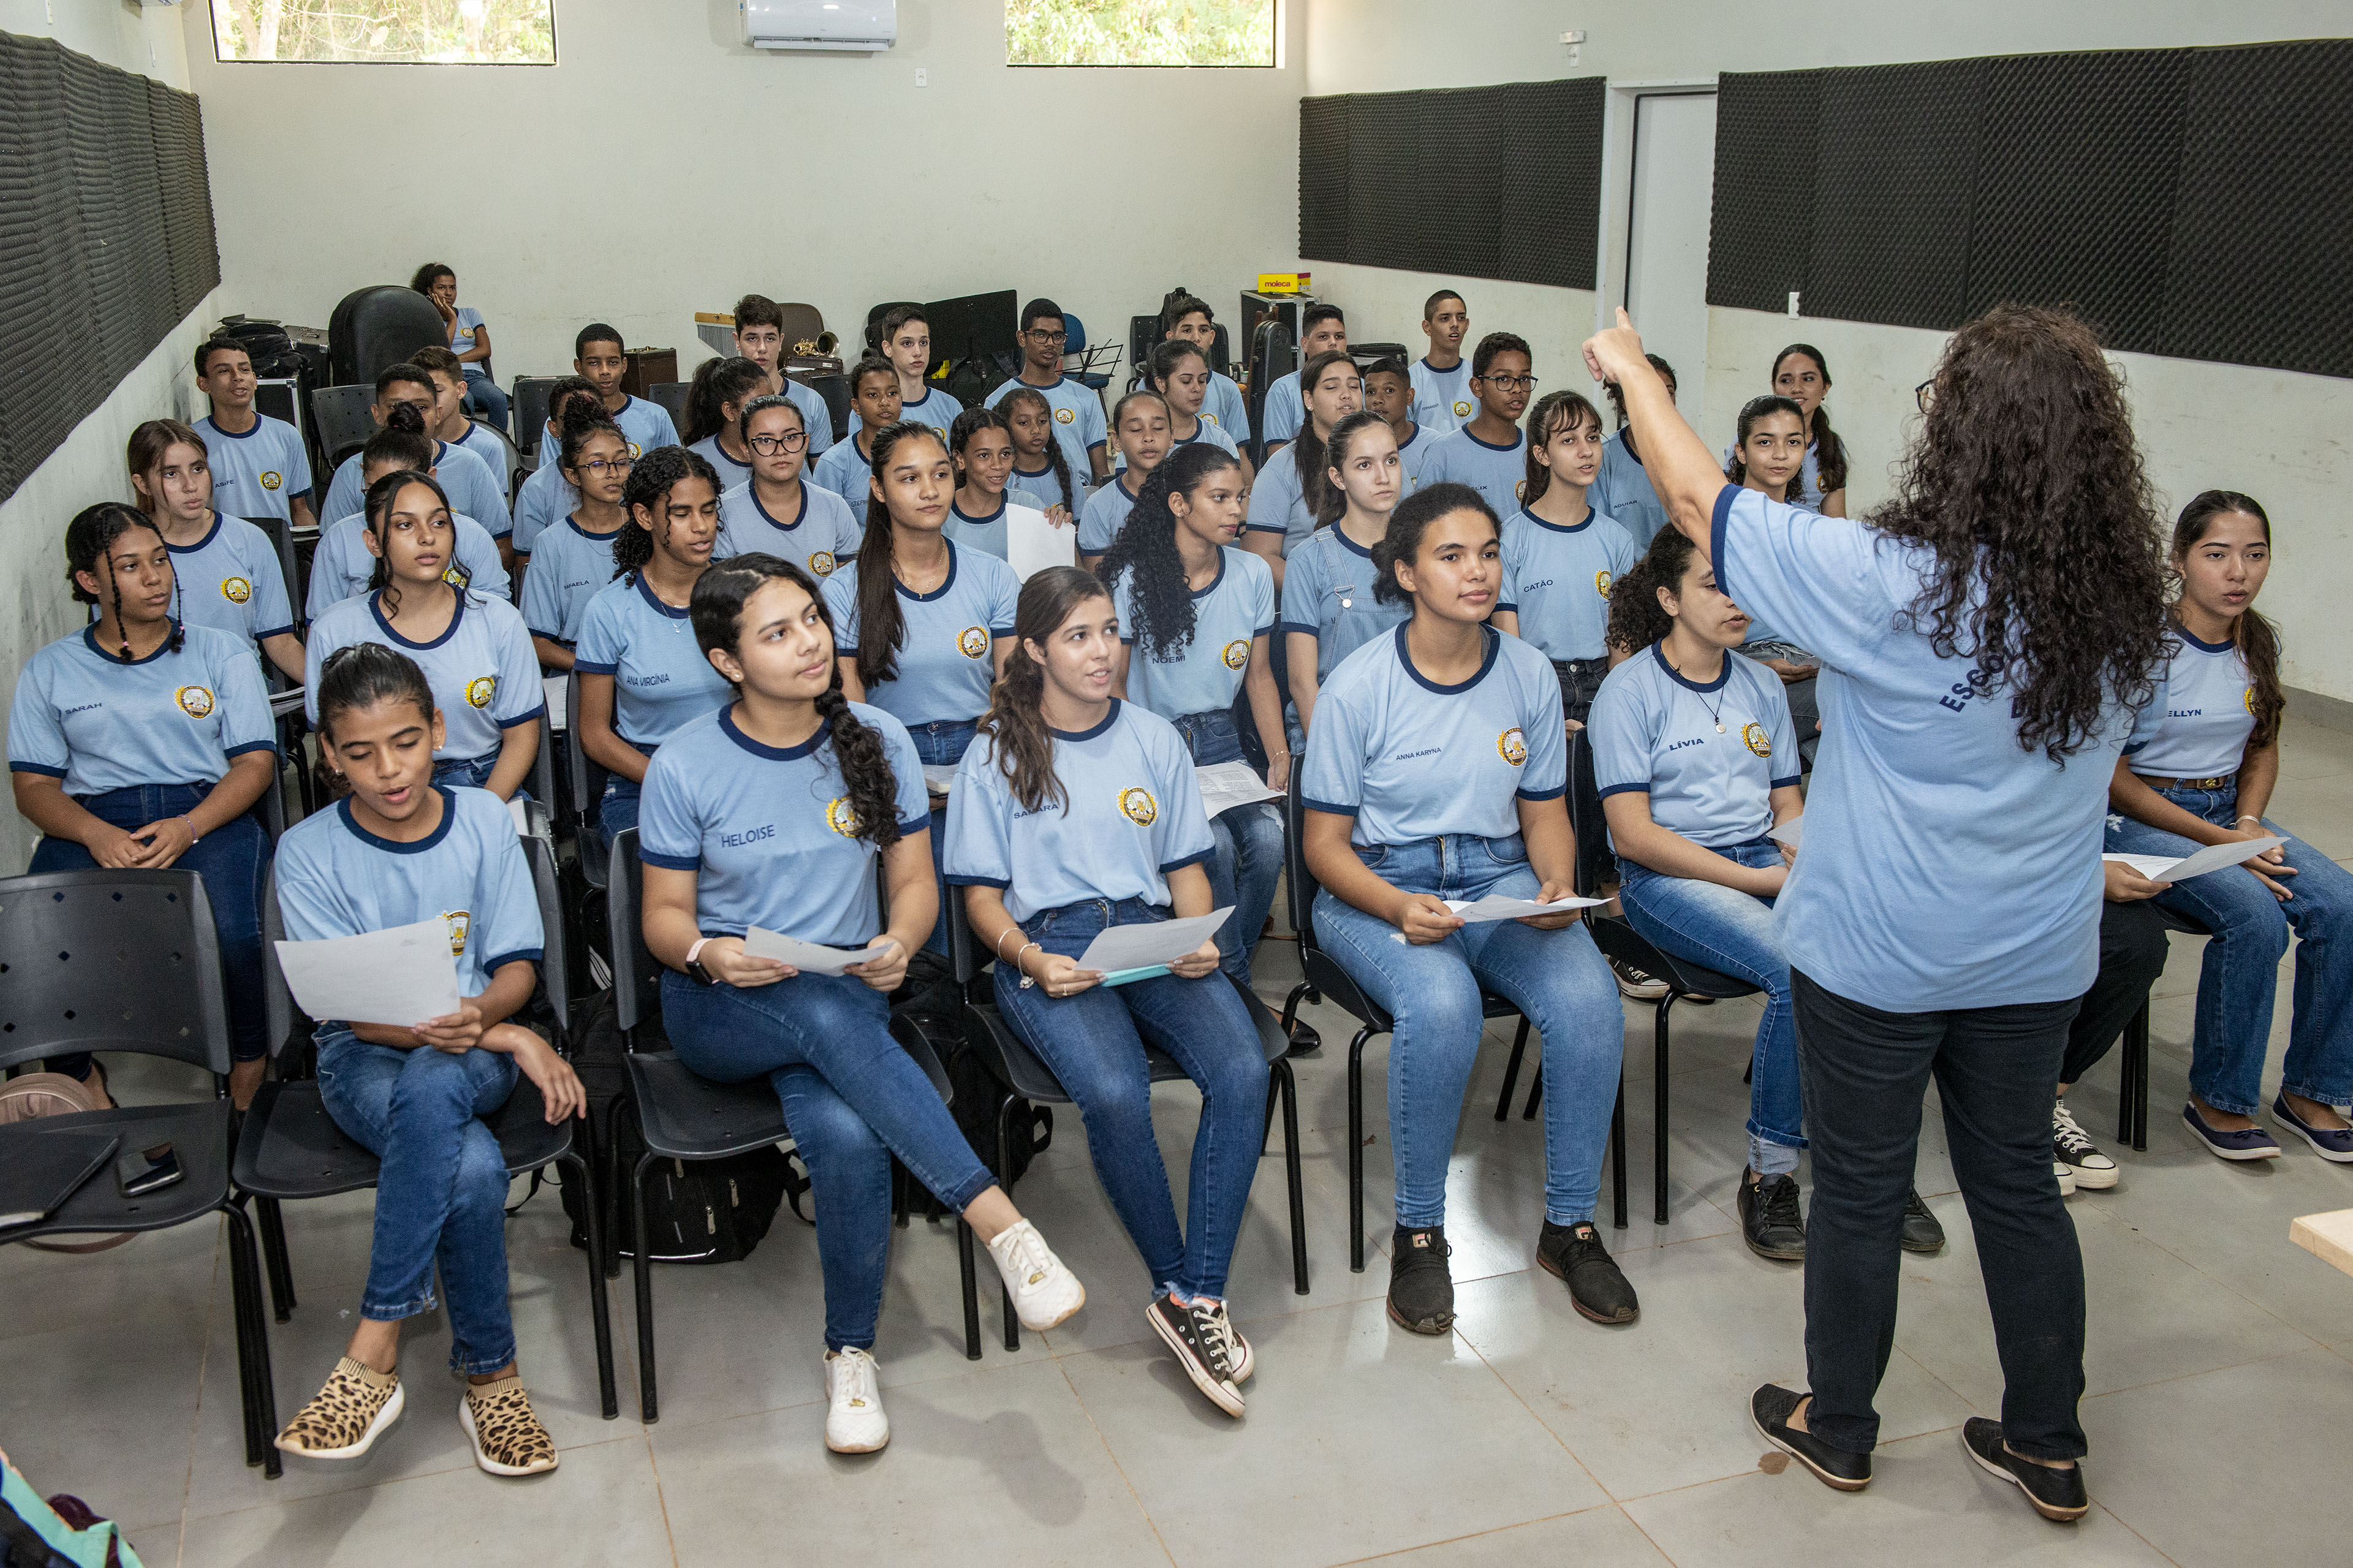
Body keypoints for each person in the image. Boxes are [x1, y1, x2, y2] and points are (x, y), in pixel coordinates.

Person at [1583, 303, 2171, 1519]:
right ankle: (2048, 1443)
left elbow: (1699, 502)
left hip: (1881, 952)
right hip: (2032, 954)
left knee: (1857, 1186)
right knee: (2016, 1186)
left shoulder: (1897, 583)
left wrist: (1636, 373)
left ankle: (1839, 1426)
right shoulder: (2125, 607)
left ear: (1958, 439)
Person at [641, 553, 1085, 1452]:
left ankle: (850, 1354)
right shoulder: (685, 764)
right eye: (777, 632)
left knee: (843, 1128)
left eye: (810, 617)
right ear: (728, 662)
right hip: (722, 1002)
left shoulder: (874, 736)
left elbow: (913, 883)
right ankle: (1001, 1226)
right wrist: (708, 951)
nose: (809, 641)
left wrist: (899, 942)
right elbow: (661, 917)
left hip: (844, 990)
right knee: (823, 1014)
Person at [1301, 482, 1635, 1333]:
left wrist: (1556, 883)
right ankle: (1419, 1232)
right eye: (1451, 555)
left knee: (1592, 998)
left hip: (1498, 878)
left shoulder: (1525, 669)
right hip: (1377, 885)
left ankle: (1570, 1225)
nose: (1477, 571)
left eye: (1488, 552)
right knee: (1442, 1003)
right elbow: (1324, 848)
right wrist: (1395, 903)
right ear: (1406, 572)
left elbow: (1545, 813)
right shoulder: (1358, 684)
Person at [947, 566, 1270, 1417]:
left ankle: (1193, 1295)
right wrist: (1029, 957)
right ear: (1038, 651)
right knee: (1117, 1090)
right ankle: (1179, 1281)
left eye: (1110, 631)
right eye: (1080, 635)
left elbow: (1185, 867)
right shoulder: (998, 752)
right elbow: (981, 899)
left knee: (1242, 1070)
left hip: (1147, 930)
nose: (1103, 651)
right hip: (1047, 943)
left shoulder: (1156, 737)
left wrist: (1196, 935)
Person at [270, 643, 577, 1474]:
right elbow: (353, 1009)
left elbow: (516, 967)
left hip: (467, 1044)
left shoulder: (482, 818)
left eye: (405, 741)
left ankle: (375, 1350)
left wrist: (486, 1016)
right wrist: (507, 1033)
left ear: (437, 729)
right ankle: (494, 1381)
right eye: (360, 753)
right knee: (473, 1169)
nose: (388, 770)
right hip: (363, 1050)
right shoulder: (305, 850)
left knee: (442, 1077)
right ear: (328, 756)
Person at [2105, 490, 2353, 1165]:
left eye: (2255, 555)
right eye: (2217, 555)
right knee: (2255, 918)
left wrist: (2245, 821)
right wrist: (2223, 844)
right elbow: (2111, 777)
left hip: (2227, 813)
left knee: (2344, 905)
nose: (2238, 572)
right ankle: (2220, 1098)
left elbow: (2262, 744)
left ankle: (2311, 1090)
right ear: (2181, 560)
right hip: (2138, 816)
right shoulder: (2140, 647)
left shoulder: (2258, 640)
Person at [9, 502, 277, 1110]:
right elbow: (33, 788)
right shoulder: (51, 670)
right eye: (130, 567)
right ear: (90, 583)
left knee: (237, 934)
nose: (155, 578)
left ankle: (249, 1065)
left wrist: (188, 827)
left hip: (207, 813)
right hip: (93, 821)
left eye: (159, 560)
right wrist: (98, 837)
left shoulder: (220, 653)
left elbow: (255, 766)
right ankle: (78, 1078)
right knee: (39, 933)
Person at [824, 420, 1021, 948]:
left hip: (983, 746)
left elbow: (1012, 691)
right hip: (888, 750)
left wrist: (982, 767)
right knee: (929, 855)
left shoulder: (994, 576)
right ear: (878, 489)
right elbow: (850, 707)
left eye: (939, 473)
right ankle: (937, 996)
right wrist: (897, 779)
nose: (930, 490)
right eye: (909, 478)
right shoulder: (845, 589)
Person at [1097, 447, 1285, 987]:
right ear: (1179, 503)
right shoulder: (1136, 578)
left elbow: (1259, 678)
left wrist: (1277, 757)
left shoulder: (1251, 573)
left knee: (1270, 840)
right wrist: (1142, 758)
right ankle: (1237, 986)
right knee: (1217, 847)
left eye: (1240, 497)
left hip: (1223, 739)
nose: (1236, 511)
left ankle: (1228, 971)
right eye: (1220, 498)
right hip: (1157, 738)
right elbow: (1115, 684)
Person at [306, 472, 542, 798]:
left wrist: (484, 813)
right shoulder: (334, 630)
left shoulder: (499, 619)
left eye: (439, 523)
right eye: (405, 525)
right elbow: (336, 753)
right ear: (373, 543)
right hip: (377, 787)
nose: (427, 537)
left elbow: (521, 737)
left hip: (484, 782)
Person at [1486, 391, 1635, 902]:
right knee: (1549, 796)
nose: (1587, 451)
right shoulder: (1512, 537)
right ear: (1543, 453)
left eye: (1593, 438)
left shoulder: (1616, 539)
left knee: (1604, 793)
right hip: (1537, 678)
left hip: (1600, 680)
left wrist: (1614, 710)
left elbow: (1621, 641)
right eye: (1569, 440)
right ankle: (1553, 894)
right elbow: (1510, 642)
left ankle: (1605, 909)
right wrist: (1545, 708)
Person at [576, 447, 730, 848]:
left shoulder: (742, 595)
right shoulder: (609, 610)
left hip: (735, 762)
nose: (701, 527)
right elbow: (594, 734)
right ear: (645, 517)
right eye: (681, 514)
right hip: (644, 776)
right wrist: (672, 778)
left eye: (709, 510)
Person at [124, 419, 304, 682]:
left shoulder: (251, 541)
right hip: (166, 701)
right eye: (171, 474)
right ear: (142, 484)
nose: (191, 485)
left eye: (198, 469)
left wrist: (335, 697)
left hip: (242, 690)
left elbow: (282, 644)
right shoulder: (126, 556)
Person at [307, 411, 510, 618]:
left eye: (401, 489)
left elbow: (496, 614)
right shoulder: (338, 539)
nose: (389, 504)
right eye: (375, 489)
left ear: (431, 477)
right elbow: (322, 622)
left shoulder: (472, 535)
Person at [1281, 410, 1408, 734]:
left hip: (1408, 730)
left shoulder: (1423, 551)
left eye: (1391, 461)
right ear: (1338, 478)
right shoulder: (1308, 560)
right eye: (1365, 465)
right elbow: (1302, 683)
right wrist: (1333, 758)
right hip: (1332, 728)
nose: (1383, 477)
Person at [1723, 395, 1825, 768]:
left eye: (1793, 442)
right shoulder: (1716, 526)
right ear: (1742, 451)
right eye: (1765, 442)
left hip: (1807, 668)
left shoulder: (1811, 530)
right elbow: (1683, 630)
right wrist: (1753, 667)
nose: (1781, 454)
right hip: (1736, 665)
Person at [319, 363, 509, 532]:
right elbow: (335, 545)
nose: (408, 414)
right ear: (376, 414)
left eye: (421, 407)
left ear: (438, 414)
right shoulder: (349, 472)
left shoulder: (471, 465)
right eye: (396, 406)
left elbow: (500, 544)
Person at [521, 407, 635, 672]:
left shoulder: (647, 529)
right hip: (577, 662)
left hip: (641, 661)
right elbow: (537, 642)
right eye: (597, 464)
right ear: (573, 475)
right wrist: (599, 670)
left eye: (620, 462)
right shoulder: (551, 543)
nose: (612, 473)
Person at [1240, 351, 1363, 588]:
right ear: (1309, 400)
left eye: (1354, 386)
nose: (1346, 395)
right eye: (1332, 388)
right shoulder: (1282, 467)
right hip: (1309, 596)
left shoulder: (1382, 457)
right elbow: (1261, 555)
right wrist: (1319, 593)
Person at [714, 395, 862, 577]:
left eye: (790, 437)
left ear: (806, 442)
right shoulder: (724, 512)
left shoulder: (834, 506)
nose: (781, 450)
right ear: (746, 449)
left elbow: (851, 587)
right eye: (765, 441)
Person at [193, 336, 316, 534]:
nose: (237, 377)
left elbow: (300, 510)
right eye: (224, 371)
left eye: (244, 369)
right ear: (204, 384)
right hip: (226, 554)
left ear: (255, 379)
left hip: (278, 552)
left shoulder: (286, 435)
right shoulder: (192, 443)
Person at [982, 298, 1108, 483]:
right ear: (1022, 338)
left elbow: (1101, 472)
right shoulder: (998, 400)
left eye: (1057, 336)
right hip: (1021, 498)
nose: (1050, 343)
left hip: (1079, 495)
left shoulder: (1086, 397)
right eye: (1041, 335)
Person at [1416, 333, 1534, 522]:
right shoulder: (1443, 454)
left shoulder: (1538, 451)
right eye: (1503, 379)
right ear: (1477, 387)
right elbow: (1421, 526)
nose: (1517, 389)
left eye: (1525, 378)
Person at [945, 406, 1060, 561]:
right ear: (960, 459)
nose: (998, 465)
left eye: (1005, 454)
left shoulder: (1027, 505)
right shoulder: (941, 515)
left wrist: (1059, 530)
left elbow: (1058, 570)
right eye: (984, 455)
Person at [1590, 354, 1678, 548]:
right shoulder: (1604, 457)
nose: (1661, 400)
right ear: (1624, 402)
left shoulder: (1688, 457)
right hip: (1622, 573)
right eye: (1648, 391)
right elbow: (1597, 531)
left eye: (1668, 392)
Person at [1077, 391, 1173, 568]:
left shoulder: (1190, 496)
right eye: (1136, 429)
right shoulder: (1098, 507)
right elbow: (1098, 583)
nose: (1148, 438)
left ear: (1172, 436)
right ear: (1117, 440)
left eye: (1158, 428)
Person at [510, 376, 600, 562]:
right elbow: (527, 564)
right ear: (554, 428)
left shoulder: (623, 477)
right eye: (572, 418)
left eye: (593, 416)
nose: (584, 426)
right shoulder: (535, 490)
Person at [730, 293, 835, 452]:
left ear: (781, 341)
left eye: (770, 339)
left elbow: (822, 472)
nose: (762, 348)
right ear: (737, 341)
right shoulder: (725, 401)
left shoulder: (812, 402)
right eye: (752, 339)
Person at [410, 345, 510, 505]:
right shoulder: (407, 441)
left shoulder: (489, 446)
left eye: (437, 391)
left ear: (461, 390)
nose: (428, 400)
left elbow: (493, 517)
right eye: (420, 394)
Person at [848, 306, 963, 444]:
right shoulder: (867, 410)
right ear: (888, 348)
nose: (918, 352)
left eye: (923, 343)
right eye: (907, 343)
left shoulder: (950, 406)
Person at [413, 262, 508, 430]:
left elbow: (485, 349)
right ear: (430, 291)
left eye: (453, 288)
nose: (449, 293)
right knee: (466, 400)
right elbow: (440, 354)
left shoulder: (470, 314)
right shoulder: (426, 319)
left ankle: (497, 447)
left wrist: (454, 359)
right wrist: (452, 320)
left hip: (476, 376)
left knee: (498, 398)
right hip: (449, 377)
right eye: (442, 288)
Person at [573, 324, 680, 457]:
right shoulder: (565, 420)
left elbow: (676, 472)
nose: (605, 371)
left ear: (624, 365)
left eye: (613, 362)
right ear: (579, 367)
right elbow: (551, 475)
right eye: (594, 363)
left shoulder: (656, 417)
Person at [1770, 344, 1849, 516]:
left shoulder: (1831, 445)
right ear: (1774, 388)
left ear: (1825, 388)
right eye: (1786, 380)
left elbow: (1836, 522)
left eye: (1808, 379)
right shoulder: (1752, 437)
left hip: (1809, 540)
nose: (1796, 388)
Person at [810, 358, 903, 506]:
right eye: (873, 395)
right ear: (856, 406)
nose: (885, 402)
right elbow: (826, 522)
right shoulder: (833, 464)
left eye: (892, 393)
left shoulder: (918, 454)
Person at [1161, 294, 1251, 442]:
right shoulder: (1151, 385)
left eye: (1203, 330)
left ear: (1212, 337)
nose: (1196, 338)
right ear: (1171, 337)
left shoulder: (1227, 388)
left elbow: (1239, 452)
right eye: (1187, 331)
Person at [1260, 304, 1347, 450]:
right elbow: (1277, 455)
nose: (1333, 343)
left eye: (1339, 337)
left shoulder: (1361, 387)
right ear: (1305, 344)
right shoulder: (1283, 390)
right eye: (1323, 337)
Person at [682, 355, 771, 495]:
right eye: (759, 403)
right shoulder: (693, 461)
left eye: (773, 399)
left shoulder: (785, 450)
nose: (771, 410)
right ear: (730, 411)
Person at [999, 385, 1082, 525]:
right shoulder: (1001, 473)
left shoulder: (1067, 470)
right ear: (1007, 428)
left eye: (1042, 421)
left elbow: (1079, 524)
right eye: (1024, 423)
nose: (1036, 430)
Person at [1409, 290, 1474, 436]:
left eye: (1461, 318)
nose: (1455, 324)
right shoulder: (1411, 379)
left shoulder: (1478, 377)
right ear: (1427, 327)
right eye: (1445, 319)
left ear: (1467, 324)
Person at [1360, 355, 1428, 493]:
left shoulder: (1432, 444)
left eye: (1389, 391)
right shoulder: (1357, 447)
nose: (1377, 400)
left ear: (1409, 397)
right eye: (1371, 392)